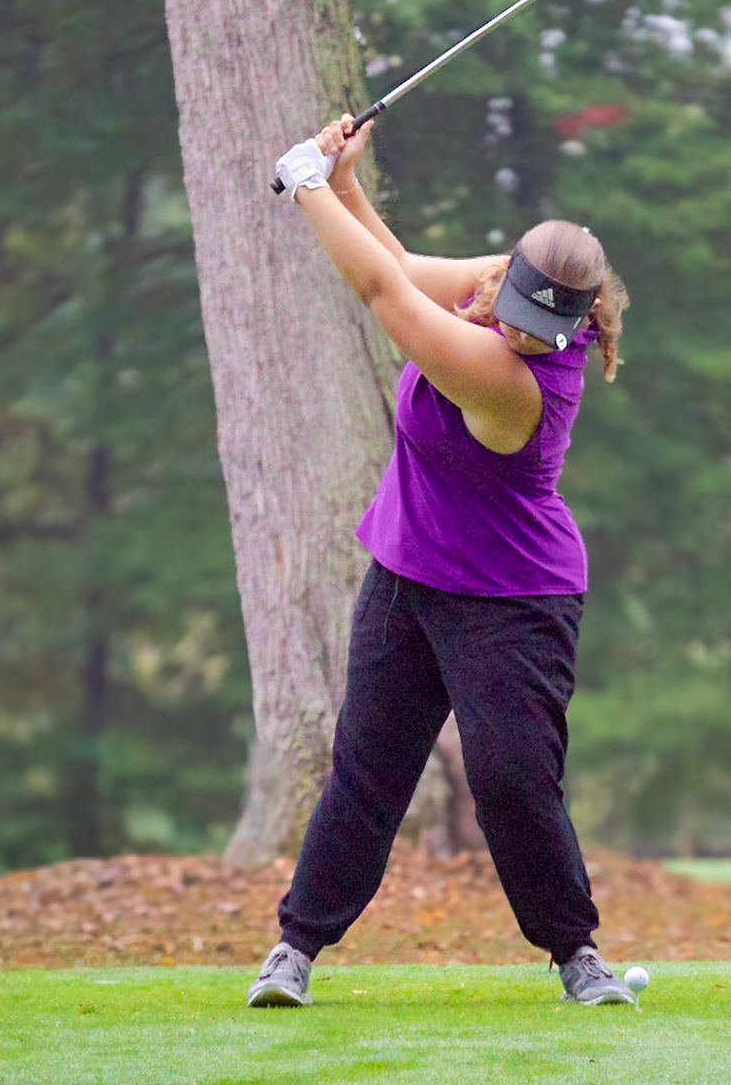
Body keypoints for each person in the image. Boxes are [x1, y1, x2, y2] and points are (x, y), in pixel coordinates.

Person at [246, 115, 632, 1007]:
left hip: (514, 597)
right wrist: (344, 181)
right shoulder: (497, 282)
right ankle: (295, 950)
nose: (526, 333)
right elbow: (401, 262)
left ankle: (575, 952)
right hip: (408, 574)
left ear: (577, 321)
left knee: (510, 781)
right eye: (520, 313)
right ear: (511, 276)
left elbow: (382, 292)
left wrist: (305, 186)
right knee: (367, 768)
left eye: (546, 328)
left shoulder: (517, 382)